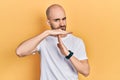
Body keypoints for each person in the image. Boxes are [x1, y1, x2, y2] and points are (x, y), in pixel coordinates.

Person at [16, 4, 90, 80]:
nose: (62, 24)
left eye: (64, 19)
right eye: (57, 20)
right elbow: (19, 52)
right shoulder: (43, 41)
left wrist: (67, 53)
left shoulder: (77, 41)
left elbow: (86, 71)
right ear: (48, 22)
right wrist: (47, 33)